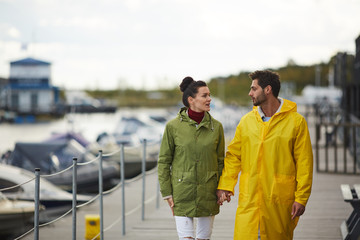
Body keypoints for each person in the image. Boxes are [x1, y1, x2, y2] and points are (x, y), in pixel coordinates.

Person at [217, 70, 313, 240]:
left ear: (267, 90)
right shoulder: (246, 122)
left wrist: (301, 198)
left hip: (279, 202)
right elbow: (234, 157)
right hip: (249, 201)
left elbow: (304, 163)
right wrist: (225, 185)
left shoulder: (296, 122)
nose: (250, 93)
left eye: (254, 89)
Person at [158, 76, 225, 240]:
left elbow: (221, 161)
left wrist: (222, 187)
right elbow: (164, 162)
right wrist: (167, 193)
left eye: (209, 94)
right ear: (191, 99)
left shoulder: (216, 127)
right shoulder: (172, 127)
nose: (209, 99)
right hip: (182, 193)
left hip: (208, 193)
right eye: (205, 95)